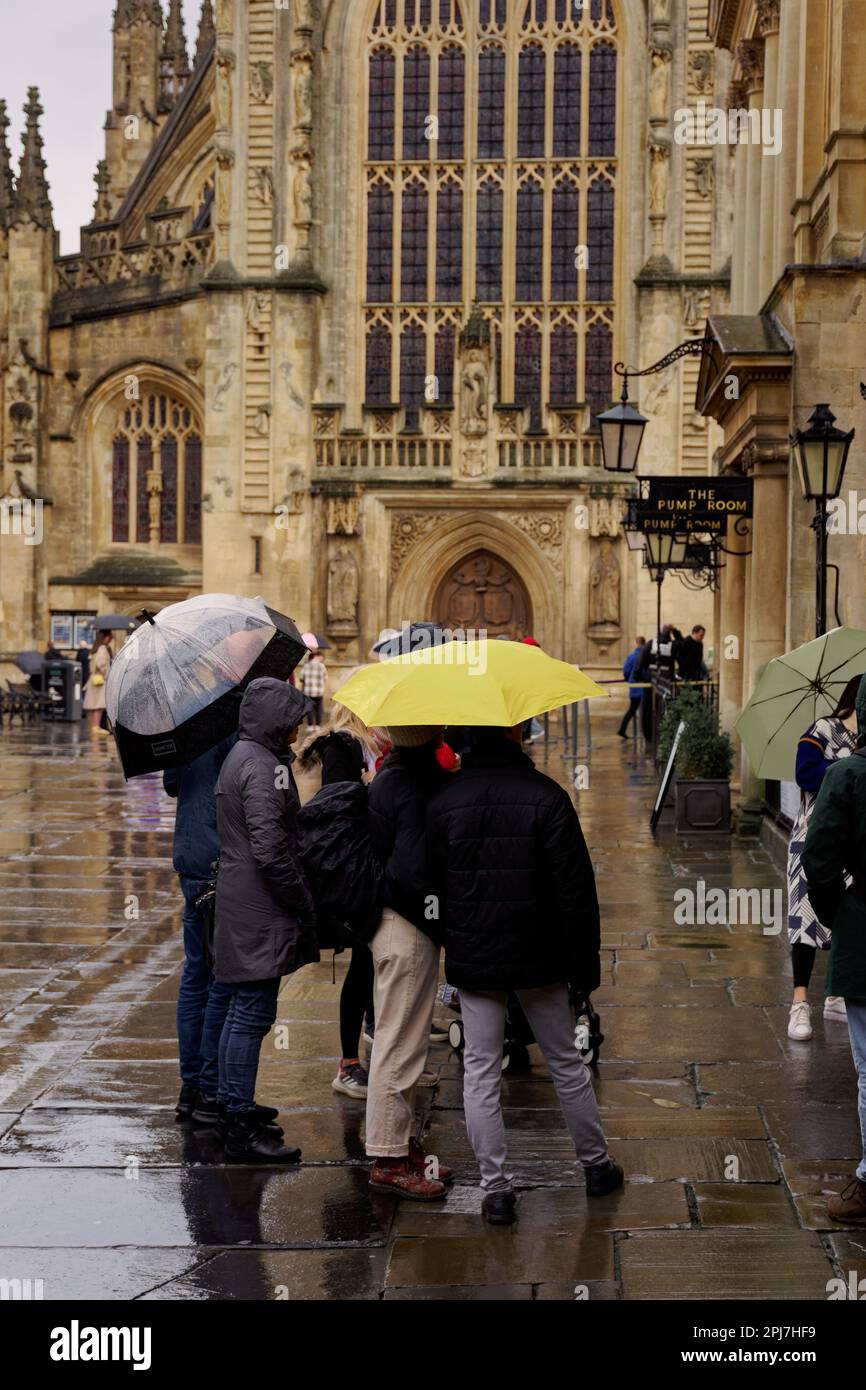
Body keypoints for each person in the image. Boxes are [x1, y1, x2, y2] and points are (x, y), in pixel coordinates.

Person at [427, 724, 622, 1226]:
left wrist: (452, 937)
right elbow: (576, 893)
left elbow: (432, 886)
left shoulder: (444, 801)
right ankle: (596, 1166)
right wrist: (584, 971)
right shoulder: (548, 797)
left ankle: (495, 1191)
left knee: (481, 1072)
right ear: (514, 734)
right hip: (541, 958)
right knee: (564, 1062)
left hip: (476, 960)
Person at [213, 678, 318, 1162]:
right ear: (276, 718)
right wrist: (300, 897)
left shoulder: (257, 755)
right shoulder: (257, 763)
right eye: (295, 716)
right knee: (251, 1011)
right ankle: (237, 1121)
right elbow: (269, 846)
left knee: (247, 1008)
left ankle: (236, 1106)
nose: (301, 724)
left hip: (249, 899)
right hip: (258, 902)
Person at [365, 726, 451, 1200]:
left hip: (392, 920)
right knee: (399, 1044)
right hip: (408, 925)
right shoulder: (415, 785)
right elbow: (415, 868)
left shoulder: (388, 778)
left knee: (405, 1040)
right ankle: (388, 1157)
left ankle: (399, 1142)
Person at [802, 672, 866, 1225]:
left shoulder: (848, 775)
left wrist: (835, 914)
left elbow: (818, 859)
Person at [299, 701, 388, 1099]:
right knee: (362, 962)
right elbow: (340, 802)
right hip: (353, 867)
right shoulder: (344, 745)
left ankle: (387, 1052)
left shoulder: (369, 743)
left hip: (373, 859)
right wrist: (371, 785)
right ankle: (349, 1064)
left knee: (374, 963)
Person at [163, 735, 237, 1122]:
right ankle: (209, 1087)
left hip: (190, 856)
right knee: (220, 979)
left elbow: (172, 784)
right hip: (219, 860)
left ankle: (191, 1085)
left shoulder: (188, 721)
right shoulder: (232, 723)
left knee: (195, 976)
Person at [786, 676, 861, 1040]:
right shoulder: (823, 728)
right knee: (805, 920)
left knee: (845, 917)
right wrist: (845, 772)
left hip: (853, 841)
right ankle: (800, 1002)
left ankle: (835, 996)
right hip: (811, 837)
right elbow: (805, 773)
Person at [82, 631, 112, 732]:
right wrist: (107, 673)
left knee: (95, 705)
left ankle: (94, 726)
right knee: (99, 705)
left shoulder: (94, 649)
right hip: (100, 680)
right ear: (106, 638)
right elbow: (101, 663)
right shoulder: (102, 648)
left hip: (93, 679)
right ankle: (96, 727)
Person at [617, 635, 646, 739]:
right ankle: (642, 731)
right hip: (643, 686)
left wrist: (628, 678)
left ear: (637, 643)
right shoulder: (645, 655)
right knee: (642, 710)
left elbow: (626, 670)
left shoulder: (632, 656)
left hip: (634, 686)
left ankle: (623, 729)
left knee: (632, 708)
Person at [299, 649, 327, 729]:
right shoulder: (322, 666)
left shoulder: (306, 666)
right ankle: (318, 725)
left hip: (308, 691)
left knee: (310, 709)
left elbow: (301, 679)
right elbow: (325, 678)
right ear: (317, 656)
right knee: (319, 709)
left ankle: (310, 726)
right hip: (319, 692)